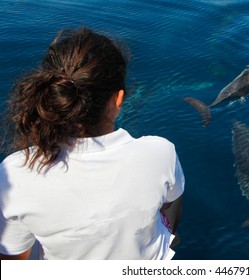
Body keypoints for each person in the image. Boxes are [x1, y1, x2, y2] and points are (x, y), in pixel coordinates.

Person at [0, 28, 184, 260]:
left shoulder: (16, 172)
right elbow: (172, 207)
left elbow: (12, 259)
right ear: (118, 99)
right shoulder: (160, 152)